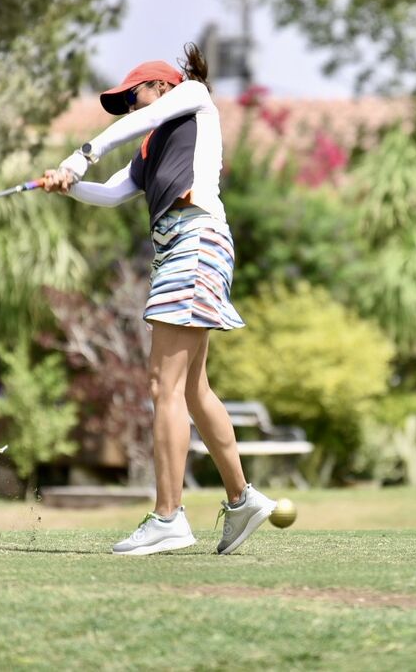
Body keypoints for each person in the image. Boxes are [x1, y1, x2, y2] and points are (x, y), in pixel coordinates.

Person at [38, 44, 277, 556]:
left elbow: (104, 148)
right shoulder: (149, 149)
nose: (129, 108)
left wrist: (78, 157)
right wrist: (68, 186)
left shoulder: (193, 97)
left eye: (134, 95)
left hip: (195, 239)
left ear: (163, 88)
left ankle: (169, 517)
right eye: (121, 102)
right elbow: (110, 192)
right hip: (183, 251)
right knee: (192, 388)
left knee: (160, 384)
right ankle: (242, 499)